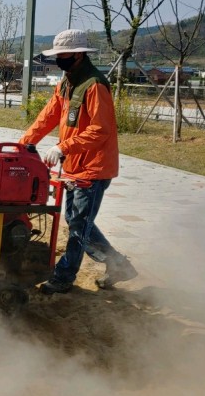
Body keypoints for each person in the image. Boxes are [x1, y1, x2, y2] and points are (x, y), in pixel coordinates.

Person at [19, 29, 138, 294]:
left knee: (78, 227)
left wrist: (63, 147)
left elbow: (100, 130)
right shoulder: (67, 82)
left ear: (79, 53)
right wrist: (24, 144)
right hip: (74, 164)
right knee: (76, 221)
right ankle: (118, 264)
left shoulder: (95, 85)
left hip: (94, 167)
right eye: (57, 54)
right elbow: (49, 115)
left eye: (64, 54)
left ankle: (63, 278)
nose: (59, 58)